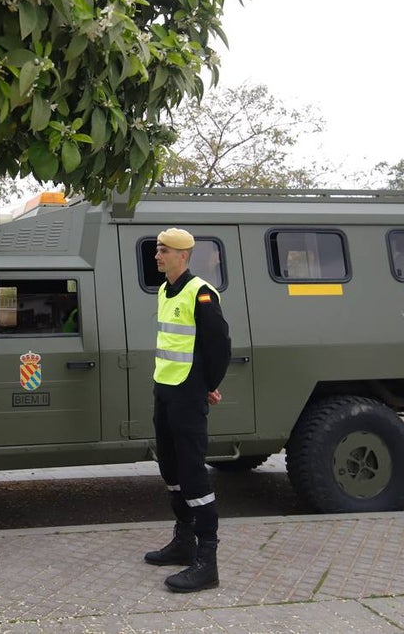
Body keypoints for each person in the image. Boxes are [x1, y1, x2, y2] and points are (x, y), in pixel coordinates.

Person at [144, 227, 231, 593]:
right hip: (165, 389)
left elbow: (219, 346)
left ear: (183, 255)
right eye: (158, 250)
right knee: (170, 467)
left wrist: (206, 386)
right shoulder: (165, 290)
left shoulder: (202, 293)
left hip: (187, 393)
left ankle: (206, 562)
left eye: (163, 251)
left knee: (193, 472)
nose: (157, 256)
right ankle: (184, 541)